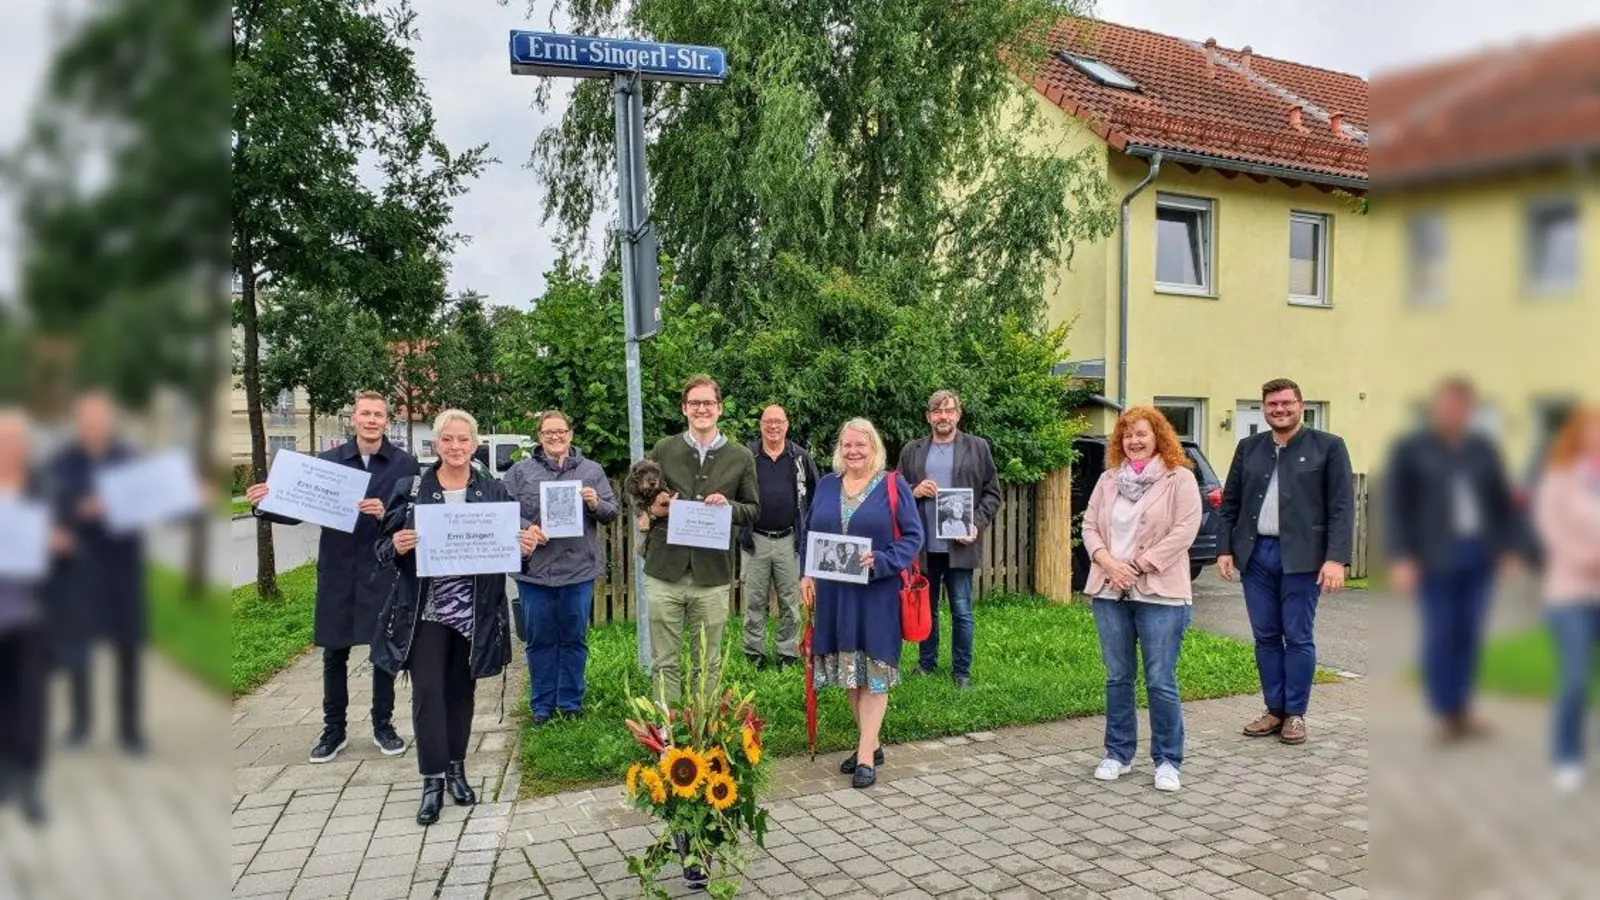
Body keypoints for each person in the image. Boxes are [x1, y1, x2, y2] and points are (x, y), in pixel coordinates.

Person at [372, 409, 529, 825]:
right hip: (427, 611)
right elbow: (382, 550)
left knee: (461, 692)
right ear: (436, 445)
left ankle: (457, 769)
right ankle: (431, 781)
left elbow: (513, 544)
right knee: (427, 692)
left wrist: (524, 542)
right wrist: (398, 545)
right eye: (448, 440)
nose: (456, 447)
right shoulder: (411, 490)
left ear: (474, 445)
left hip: (474, 610)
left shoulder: (492, 491)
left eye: (463, 440)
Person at [246, 390, 419, 762]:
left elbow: (411, 516)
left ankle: (383, 725)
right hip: (339, 567)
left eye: (379, 415)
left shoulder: (405, 464)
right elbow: (296, 509)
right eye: (365, 414)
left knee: (382, 652)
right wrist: (265, 504)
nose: (372, 420)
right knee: (334, 650)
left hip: (382, 567)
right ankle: (334, 729)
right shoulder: (327, 461)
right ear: (353, 419)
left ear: (386, 421)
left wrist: (384, 514)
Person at [1217, 378, 1354, 746]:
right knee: (1265, 636)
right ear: (1264, 408)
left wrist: (1336, 559)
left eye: (1286, 403)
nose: (1279, 410)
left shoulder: (1328, 447)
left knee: (1297, 636)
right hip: (1256, 554)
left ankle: (1295, 714)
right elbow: (1230, 502)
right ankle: (1273, 710)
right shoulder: (1249, 448)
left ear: (1300, 405)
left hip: (1303, 559)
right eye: (1272, 405)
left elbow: (1342, 508)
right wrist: (1225, 548)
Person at [1384, 377, 1516, 743]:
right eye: (1446, 405)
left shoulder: (1483, 448)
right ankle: (1444, 712)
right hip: (1433, 556)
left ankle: (1462, 708)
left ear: (1469, 410)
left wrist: (1507, 548)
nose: (1453, 411)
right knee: (1441, 633)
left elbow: (1501, 502)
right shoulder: (1413, 449)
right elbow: (1396, 505)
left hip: (1479, 554)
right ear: (1436, 408)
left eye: (1460, 406)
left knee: (1469, 632)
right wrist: (1401, 558)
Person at [1081, 407, 1202, 792]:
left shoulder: (1178, 478)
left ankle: (1168, 760)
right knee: (1118, 678)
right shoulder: (1108, 479)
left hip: (1161, 593)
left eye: (1142, 434)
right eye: (1127, 435)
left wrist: (1138, 565)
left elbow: (1185, 530)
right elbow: (1089, 525)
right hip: (1109, 589)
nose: (1134, 441)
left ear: (1158, 437)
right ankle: (1118, 753)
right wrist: (1107, 563)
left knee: (1160, 680)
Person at [802, 419, 924, 789]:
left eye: (861, 445)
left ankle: (866, 756)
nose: (853, 451)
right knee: (848, 672)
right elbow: (808, 532)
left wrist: (883, 563)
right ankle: (870, 741)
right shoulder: (825, 484)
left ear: (874, 448)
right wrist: (807, 575)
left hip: (876, 594)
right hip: (835, 594)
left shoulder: (893, 485)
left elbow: (913, 537)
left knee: (873, 670)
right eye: (847, 444)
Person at [638, 376, 760, 704]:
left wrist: (729, 507)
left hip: (712, 574)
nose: (701, 409)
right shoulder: (664, 449)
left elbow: (752, 510)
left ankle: (702, 732)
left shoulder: (740, 456)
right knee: (664, 662)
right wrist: (656, 506)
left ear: (719, 409)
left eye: (708, 403)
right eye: (695, 403)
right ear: (684, 409)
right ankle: (667, 732)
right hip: (665, 570)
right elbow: (639, 493)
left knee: (708, 662)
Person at [46, 390, 149, 755]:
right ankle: (79, 725)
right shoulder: (61, 462)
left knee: (128, 651)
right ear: (79, 423)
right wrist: (79, 513)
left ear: (110, 422)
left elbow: (147, 504)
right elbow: (47, 510)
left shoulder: (129, 459)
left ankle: (130, 730)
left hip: (122, 569)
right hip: (78, 571)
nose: (95, 425)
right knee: (79, 652)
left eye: (101, 418)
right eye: (88, 419)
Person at [502, 410, 619, 726]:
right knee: (539, 641)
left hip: (577, 571)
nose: (555, 437)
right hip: (534, 573)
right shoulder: (520, 472)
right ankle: (541, 706)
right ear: (539, 436)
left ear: (571, 433)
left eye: (560, 431)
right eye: (548, 432)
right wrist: (526, 527)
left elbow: (611, 512)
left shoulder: (591, 471)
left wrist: (595, 503)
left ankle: (570, 703)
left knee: (573, 639)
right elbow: (503, 509)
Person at [898, 390, 1001, 688]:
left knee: (961, 610)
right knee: (925, 610)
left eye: (949, 411)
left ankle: (962, 672)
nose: (943, 417)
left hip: (960, 545)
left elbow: (993, 493)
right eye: (937, 411)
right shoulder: (912, 450)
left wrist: (977, 524)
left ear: (958, 414)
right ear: (928, 416)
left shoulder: (978, 448)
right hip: (923, 547)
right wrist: (914, 490)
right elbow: (896, 489)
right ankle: (926, 664)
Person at [0, 410, 68, 826]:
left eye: (15, 443)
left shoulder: (42, 489)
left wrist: (59, 544)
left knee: (29, 702)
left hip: (30, 615)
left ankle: (29, 781)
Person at [1532, 406, 1600, 792]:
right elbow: (1551, 533)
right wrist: (1586, 559)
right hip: (1571, 595)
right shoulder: (1559, 482)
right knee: (1574, 679)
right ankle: (1567, 756)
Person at [736, 405, 819, 670]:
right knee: (754, 602)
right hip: (755, 539)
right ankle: (754, 654)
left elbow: (816, 496)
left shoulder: (800, 457)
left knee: (791, 603)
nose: (773, 427)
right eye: (768, 422)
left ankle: (788, 654)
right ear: (760, 425)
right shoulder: (747, 456)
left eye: (778, 422)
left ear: (787, 424)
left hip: (789, 540)